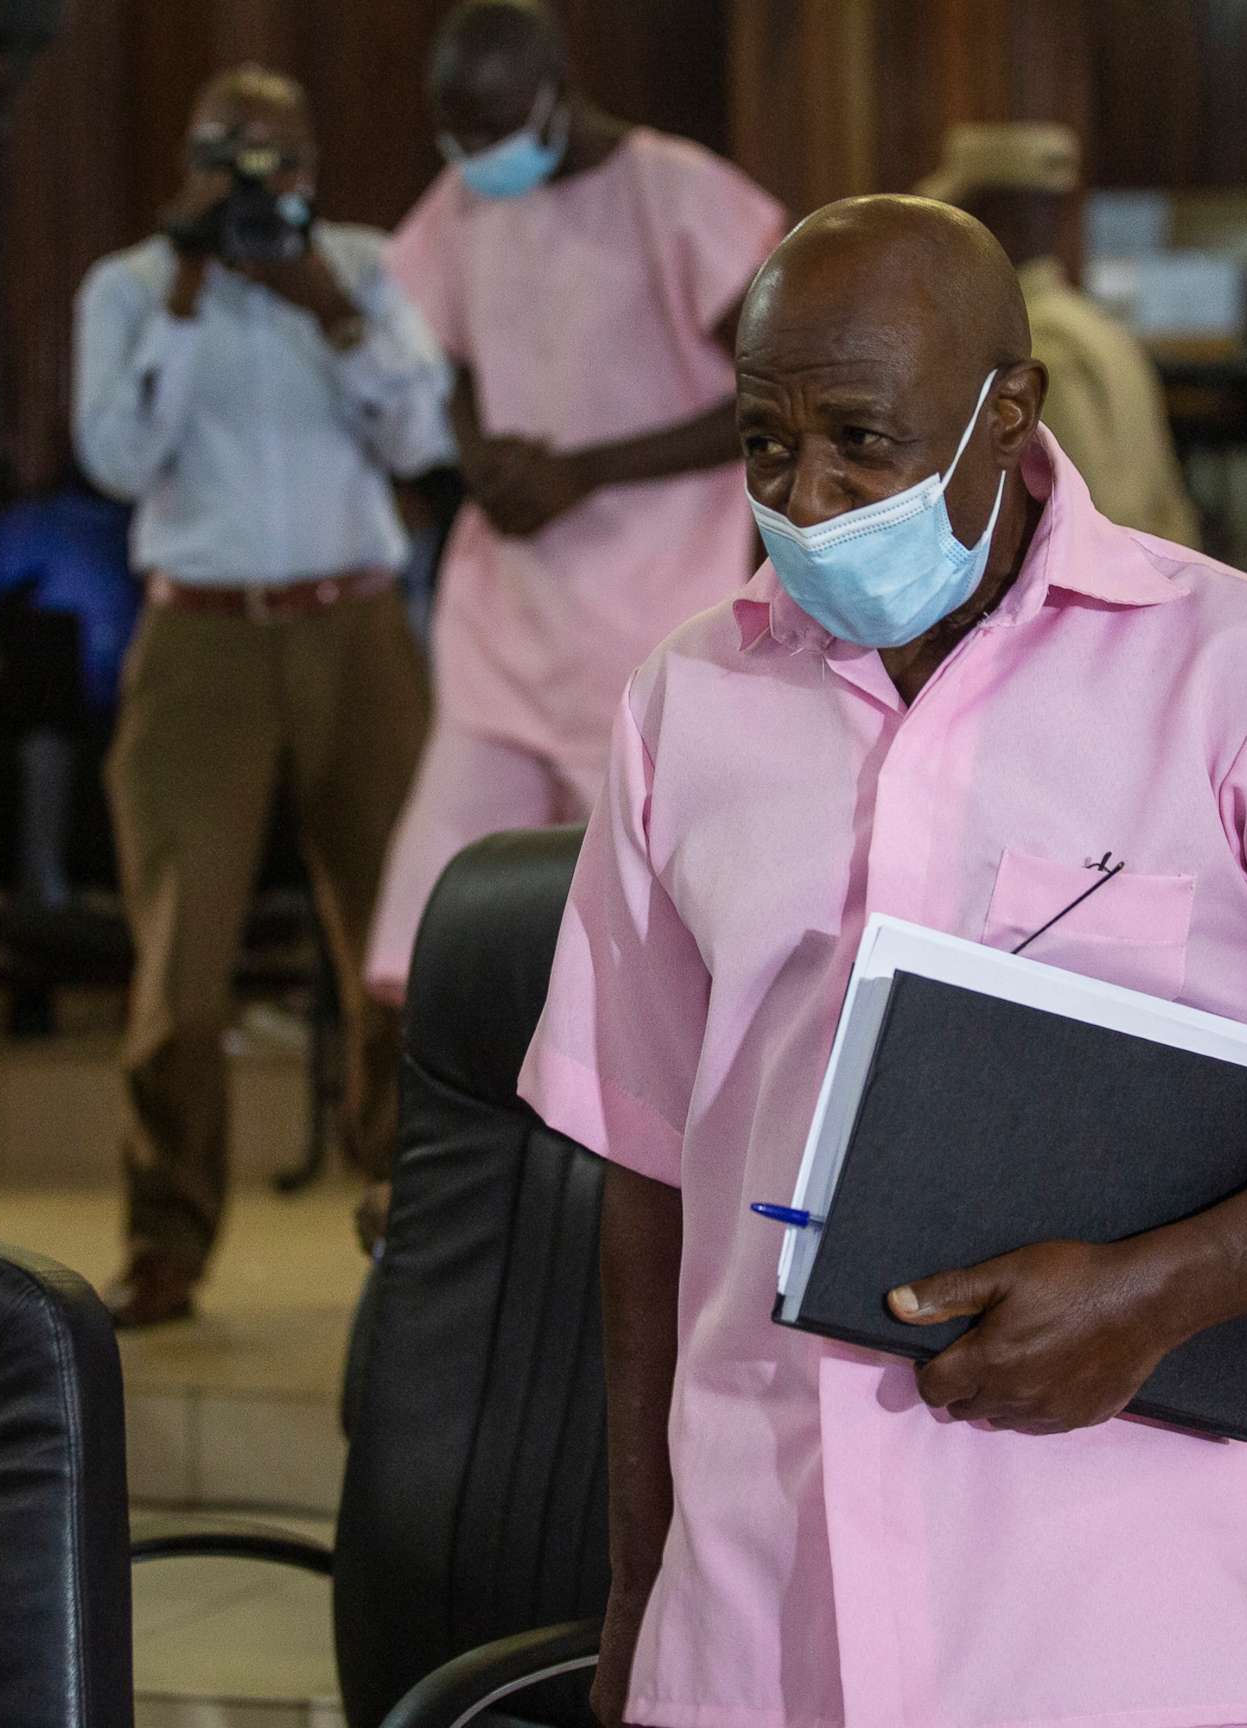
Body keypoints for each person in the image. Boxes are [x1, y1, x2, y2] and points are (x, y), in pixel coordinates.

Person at [520, 197, 1247, 1728]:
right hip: (760, 1596)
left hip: (1113, 1599)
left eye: (863, 445)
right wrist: (636, 1589)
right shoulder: (687, 705)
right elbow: (644, 1168)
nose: (806, 499)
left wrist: (1161, 1290)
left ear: (1008, 415)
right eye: (764, 446)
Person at [74, 64, 453, 1328]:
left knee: (399, 954)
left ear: (316, 168)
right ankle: (167, 1240)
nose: (258, 183)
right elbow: (117, 457)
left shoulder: (361, 266)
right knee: (180, 973)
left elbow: (422, 442)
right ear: (186, 161)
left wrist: (329, 309)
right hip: (202, 646)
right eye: (230, 156)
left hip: (358, 631)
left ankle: (407, 1220)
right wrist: (189, 289)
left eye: (280, 160)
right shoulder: (129, 288)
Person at [361, 0, 786, 1006]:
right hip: (504, 605)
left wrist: (586, 470)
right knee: (427, 926)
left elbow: (775, 394)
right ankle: (414, 1139)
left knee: (624, 929)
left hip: (650, 610)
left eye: (494, 131)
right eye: (456, 134)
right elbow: (444, 354)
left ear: (556, 93)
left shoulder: (676, 193)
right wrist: (479, 457)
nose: (475, 155)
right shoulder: (466, 201)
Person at [919, 121, 1199, 546]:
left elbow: (1076, 519)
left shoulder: (1030, 345)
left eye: (964, 214)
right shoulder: (1100, 327)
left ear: (996, 216)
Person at [0, 466, 137, 913]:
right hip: (46, 707)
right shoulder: (22, 529)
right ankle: (44, 901)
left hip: (141, 698)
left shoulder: (150, 527)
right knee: (44, 740)